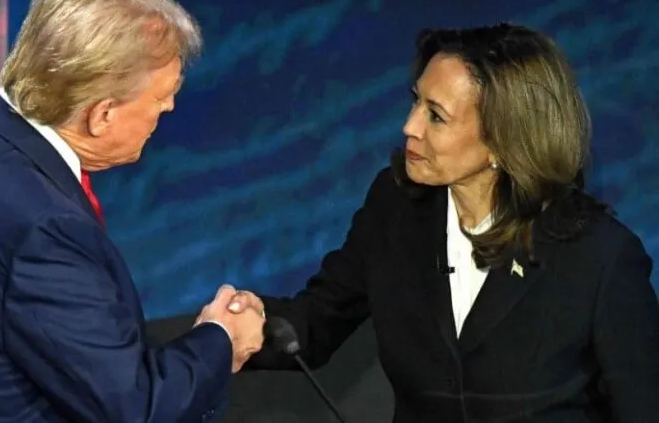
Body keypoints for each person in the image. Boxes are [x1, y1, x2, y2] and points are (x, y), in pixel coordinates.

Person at [0, 0, 265, 423]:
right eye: (162, 99)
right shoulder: (44, 228)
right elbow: (135, 408)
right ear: (102, 115)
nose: (169, 107)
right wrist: (221, 339)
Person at [228, 23, 659, 422]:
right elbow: (319, 317)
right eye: (415, 101)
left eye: (436, 115)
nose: (409, 126)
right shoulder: (395, 208)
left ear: (503, 140)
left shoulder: (599, 258)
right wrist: (243, 326)